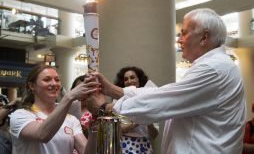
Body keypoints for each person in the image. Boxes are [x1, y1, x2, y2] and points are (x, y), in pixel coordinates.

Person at [86, 8, 246, 154]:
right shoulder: (216, 66)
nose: (179, 40)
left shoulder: (213, 69)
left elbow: (161, 102)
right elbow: (162, 93)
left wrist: (103, 108)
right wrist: (112, 90)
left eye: (184, 33)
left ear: (204, 37)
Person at [9, 64, 97, 154]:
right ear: (32, 86)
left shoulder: (71, 119)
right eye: (46, 80)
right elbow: (42, 135)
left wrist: (94, 132)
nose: (54, 83)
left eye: (57, 80)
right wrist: (69, 97)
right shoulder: (20, 115)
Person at [114, 66, 158, 154]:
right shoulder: (118, 100)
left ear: (139, 79)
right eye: (126, 79)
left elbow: (154, 135)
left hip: (145, 146)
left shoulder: (150, 100)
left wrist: (149, 122)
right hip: (124, 144)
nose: (129, 81)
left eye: (132, 77)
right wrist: (140, 120)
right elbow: (117, 130)